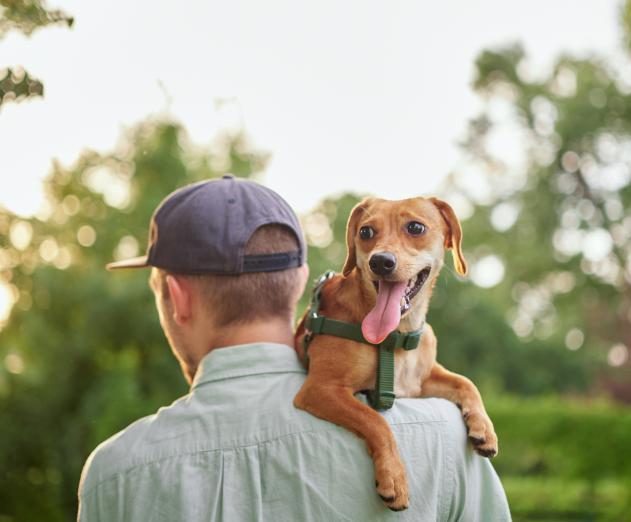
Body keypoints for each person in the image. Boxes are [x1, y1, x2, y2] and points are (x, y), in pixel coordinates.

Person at [77, 175, 511, 521]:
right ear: (303, 279)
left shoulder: (113, 473)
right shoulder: (447, 440)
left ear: (178, 296)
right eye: (369, 237)